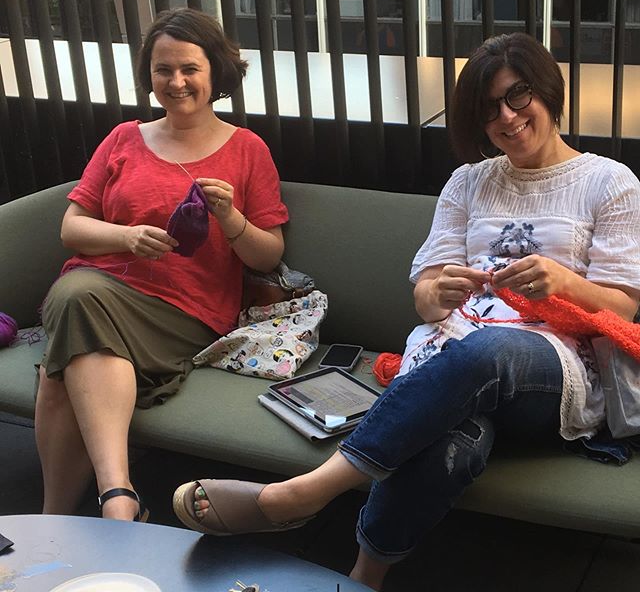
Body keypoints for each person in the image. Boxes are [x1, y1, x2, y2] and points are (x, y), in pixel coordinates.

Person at [172, 32, 640, 590]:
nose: (507, 118)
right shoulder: (469, 182)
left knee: (489, 351)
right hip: (459, 358)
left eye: (519, 97)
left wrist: (565, 284)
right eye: (488, 108)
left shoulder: (610, 182)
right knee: (457, 442)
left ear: (549, 91)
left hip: (558, 372)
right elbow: (425, 290)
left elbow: (624, 311)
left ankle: (301, 494)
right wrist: (439, 292)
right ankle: (363, 578)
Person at [35, 7, 288, 522]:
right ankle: (107, 503)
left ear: (214, 72)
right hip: (100, 291)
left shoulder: (247, 150)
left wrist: (230, 217)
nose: (176, 82)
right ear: (149, 75)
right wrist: (126, 237)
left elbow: (269, 254)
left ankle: (67, 516)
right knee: (76, 318)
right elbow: (72, 228)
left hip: (185, 310)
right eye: (162, 69)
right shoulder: (123, 138)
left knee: (67, 333)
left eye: (189, 68)